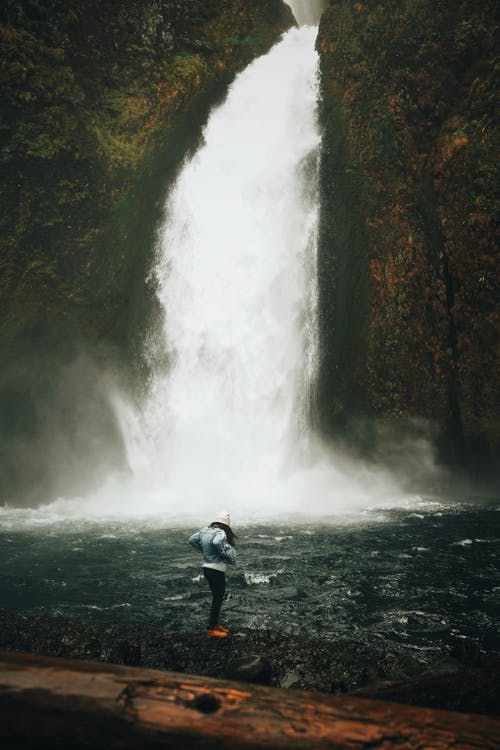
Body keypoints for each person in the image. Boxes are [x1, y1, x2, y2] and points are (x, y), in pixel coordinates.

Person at [188, 511, 237, 638]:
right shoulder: (221, 532)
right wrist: (223, 553)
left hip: (207, 568)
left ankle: (215, 624)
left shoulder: (205, 530)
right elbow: (216, 543)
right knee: (218, 599)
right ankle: (211, 629)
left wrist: (202, 550)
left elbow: (191, 540)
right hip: (216, 570)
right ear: (226, 524)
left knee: (217, 598)